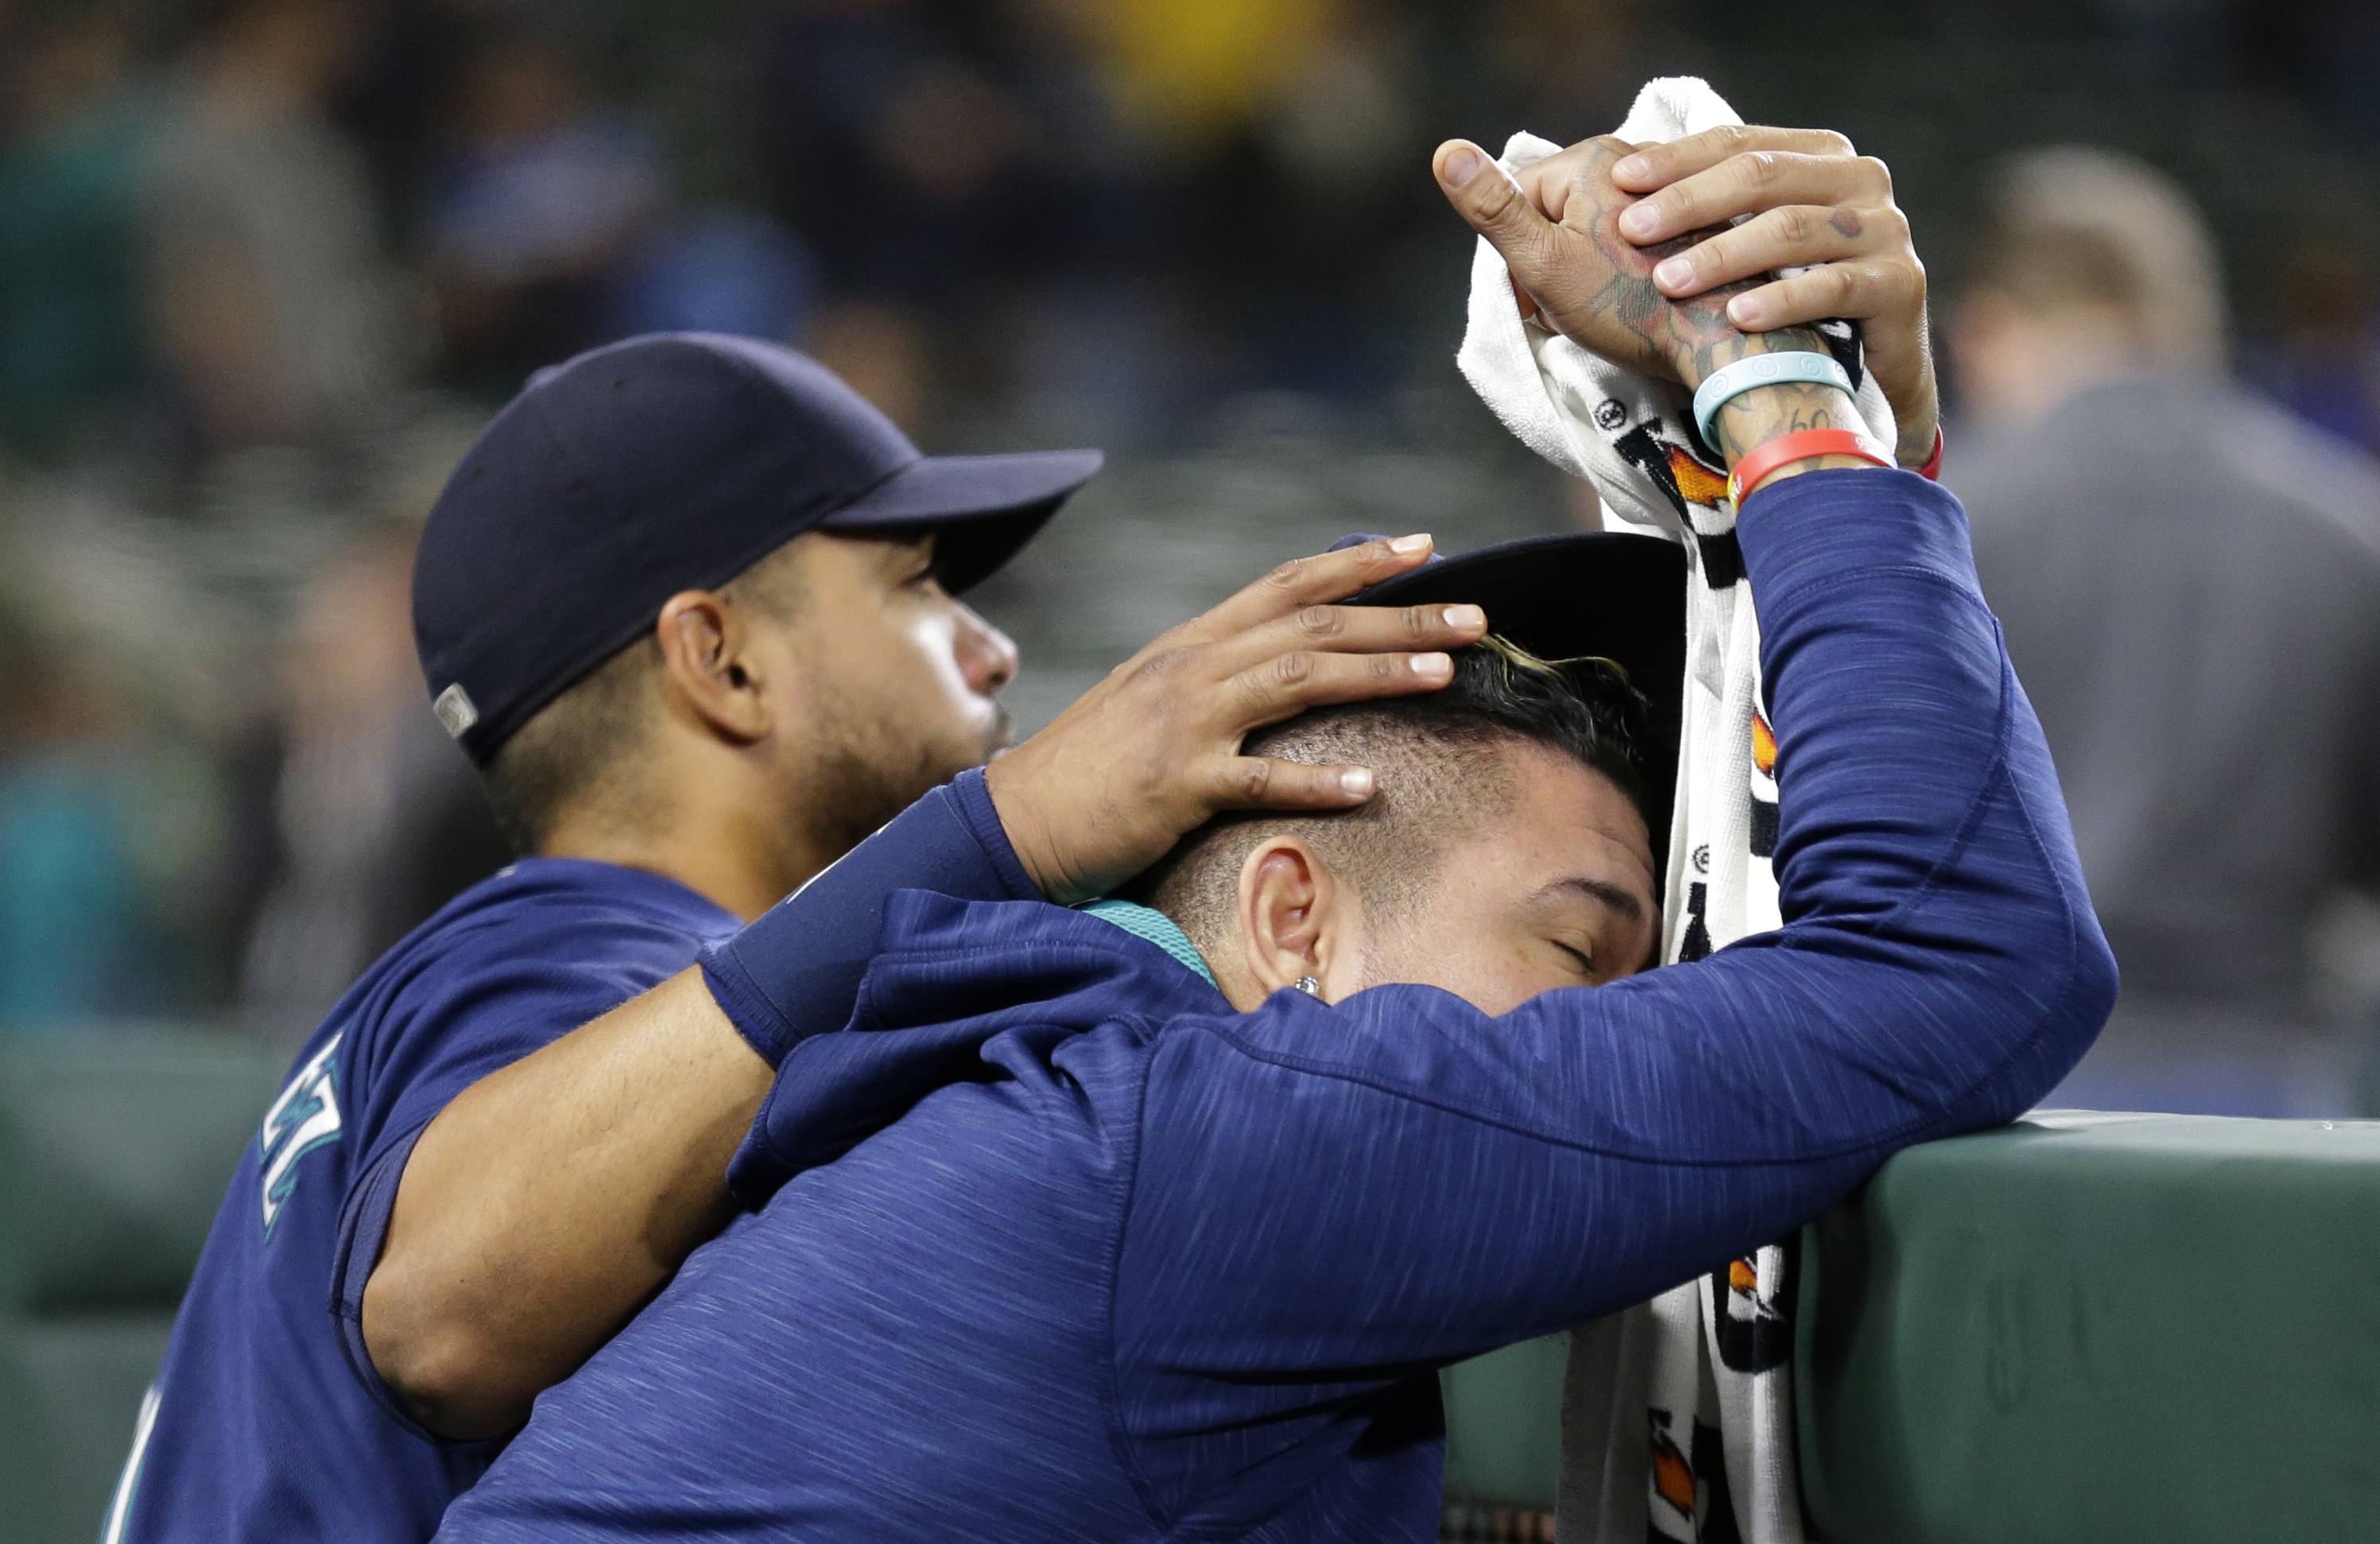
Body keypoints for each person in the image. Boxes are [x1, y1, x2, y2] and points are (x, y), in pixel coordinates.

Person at [426, 132, 2114, 1542]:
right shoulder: (1212, 1138)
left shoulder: (1028, 1104)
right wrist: (1788, 397)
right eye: (1579, 947)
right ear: (1292, 912)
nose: (1631, 1019)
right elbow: (1965, 951)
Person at [113, 332, 1490, 1543]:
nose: (991, 647)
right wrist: (1003, 824)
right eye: (913, 586)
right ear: (720, 660)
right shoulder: (580, 951)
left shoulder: (508, 990)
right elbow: (445, 1316)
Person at [1951, 148, 2380, 1115]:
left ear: (1986, 333)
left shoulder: (1935, 527)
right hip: (2275, 1114)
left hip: (1996, 1104)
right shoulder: (2347, 526)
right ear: (2193, 328)